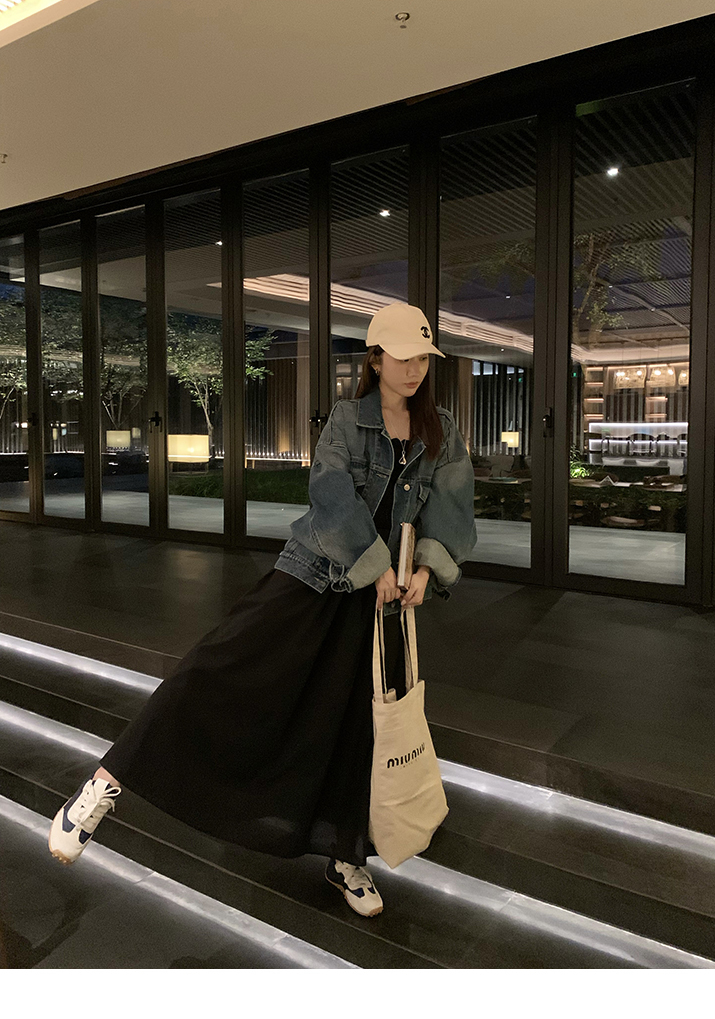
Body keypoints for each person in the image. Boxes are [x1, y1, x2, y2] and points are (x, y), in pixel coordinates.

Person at [47, 302, 477, 918]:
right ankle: (101, 787)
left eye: (423, 360)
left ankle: (346, 857)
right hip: (314, 579)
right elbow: (330, 494)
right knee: (217, 668)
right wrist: (376, 563)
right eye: (404, 357)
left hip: (381, 606)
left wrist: (427, 569)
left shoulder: (442, 431)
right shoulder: (346, 421)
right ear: (377, 359)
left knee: (358, 727)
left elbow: (452, 508)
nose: (414, 370)